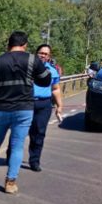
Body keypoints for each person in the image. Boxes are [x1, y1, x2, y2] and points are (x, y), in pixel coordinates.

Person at [0, 31, 51, 194]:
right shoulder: (33, 60)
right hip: (24, 110)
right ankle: (10, 183)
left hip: (1, 109)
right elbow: (45, 80)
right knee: (17, 146)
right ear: (25, 44)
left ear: (9, 44)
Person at [28, 44, 62, 172]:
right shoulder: (28, 68)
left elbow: (56, 89)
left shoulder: (52, 71)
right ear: (36, 53)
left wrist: (59, 106)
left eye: (46, 54)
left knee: (39, 133)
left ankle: (34, 161)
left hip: (44, 105)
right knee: (20, 131)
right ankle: (12, 155)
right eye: (41, 53)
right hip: (27, 103)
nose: (43, 55)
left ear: (49, 57)